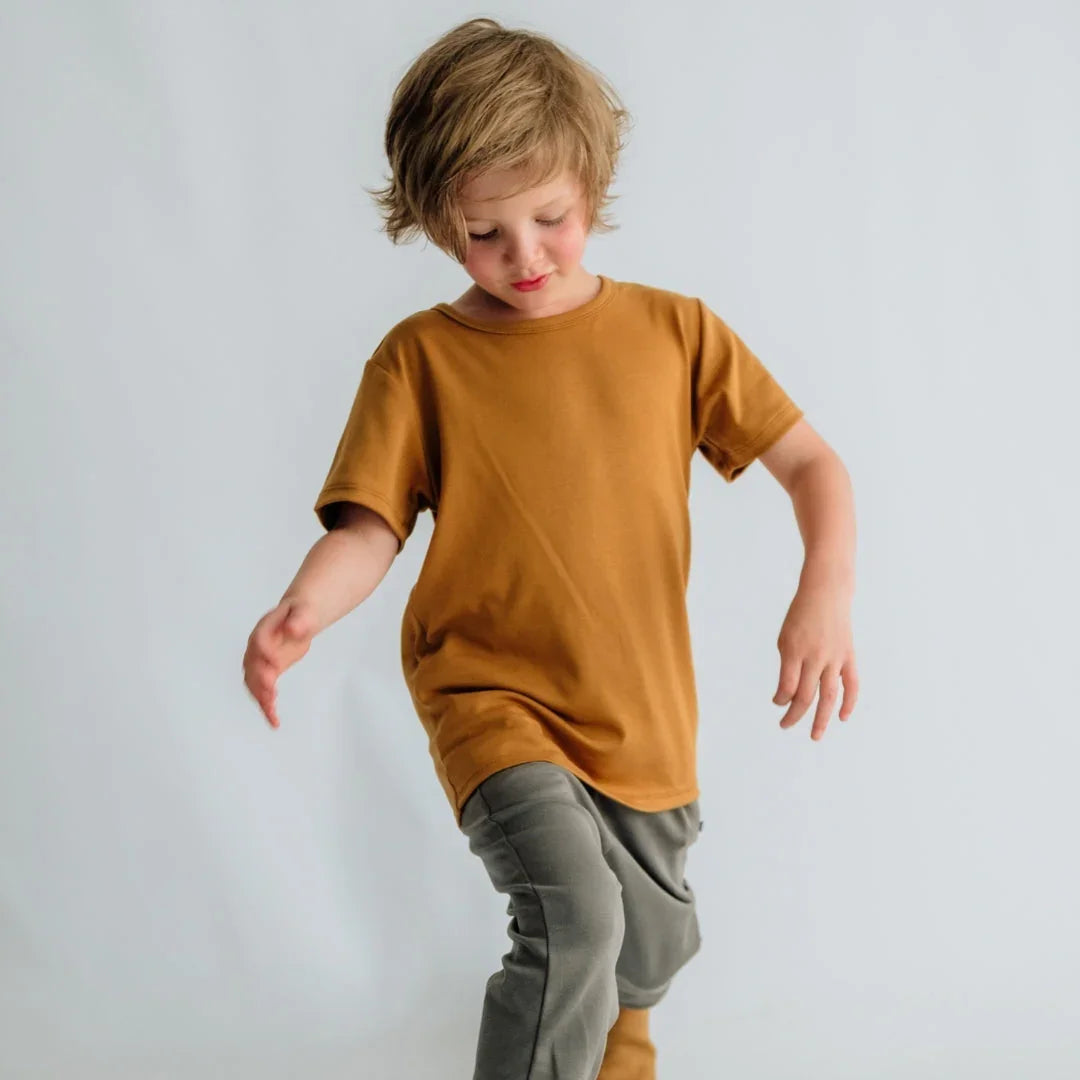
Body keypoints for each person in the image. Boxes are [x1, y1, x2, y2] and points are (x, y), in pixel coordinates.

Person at [242, 17, 858, 1080]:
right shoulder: (422, 360)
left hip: (641, 711)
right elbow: (372, 523)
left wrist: (825, 592)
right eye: (484, 233)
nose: (521, 255)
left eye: (551, 218)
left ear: (592, 186)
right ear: (436, 222)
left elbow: (814, 468)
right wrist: (302, 609)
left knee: (646, 949)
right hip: (488, 693)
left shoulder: (677, 335)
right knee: (574, 919)